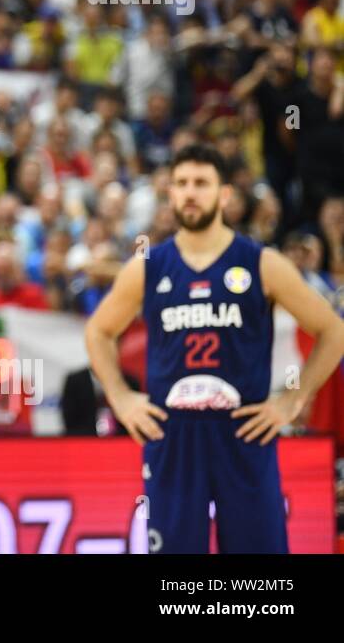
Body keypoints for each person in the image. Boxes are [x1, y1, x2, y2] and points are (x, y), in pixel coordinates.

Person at [86, 144, 344, 553]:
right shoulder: (148, 266)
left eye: (202, 183)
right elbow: (98, 331)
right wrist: (120, 398)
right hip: (172, 434)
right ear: (170, 194)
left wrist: (291, 401)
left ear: (225, 194)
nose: (190, 193)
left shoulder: (262, 262)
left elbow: (333, 331)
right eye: (182, 184)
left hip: (244, 431)